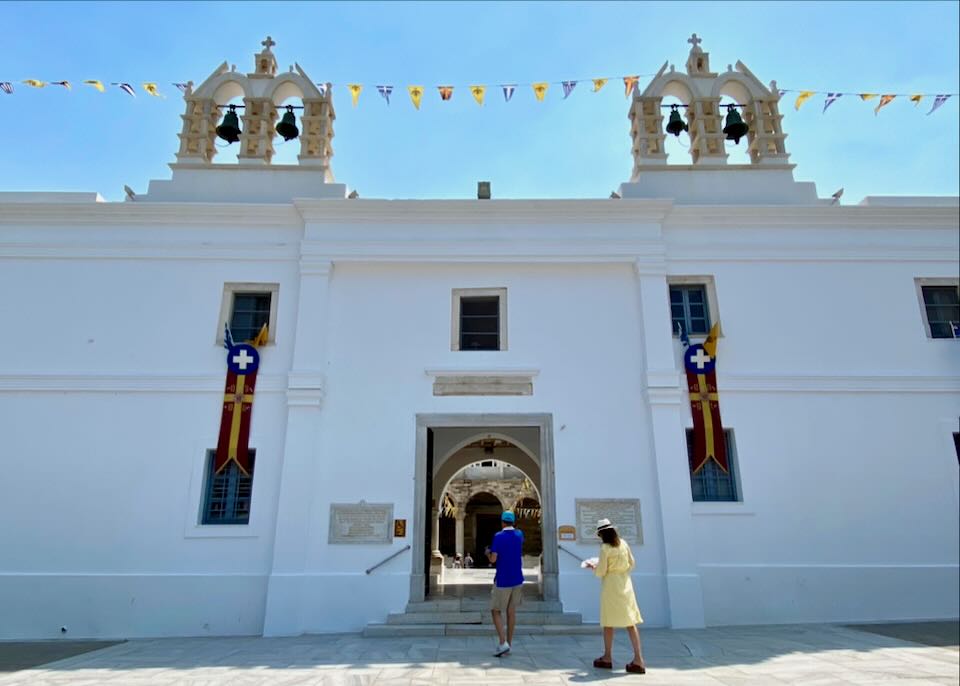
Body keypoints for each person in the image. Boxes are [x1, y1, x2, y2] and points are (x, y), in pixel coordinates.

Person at [584, 518, 646, 674]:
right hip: (625, 585)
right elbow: (632, 563)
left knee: (608, 623)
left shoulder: (605, 548)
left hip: (611, 587)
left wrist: (593, 567)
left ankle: (607, 656)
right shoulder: (623, 544)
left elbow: (601, 571)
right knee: (631, 623)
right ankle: (639, 659)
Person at [485, 510, 524, 657]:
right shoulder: (520, 535)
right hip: (517, 579)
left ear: (502, 522)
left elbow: (493, 559)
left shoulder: (498, 536)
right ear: (513, 522)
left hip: (503, 579)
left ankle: (502, 643)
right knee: (511, 612)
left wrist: (488, 552)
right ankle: (509, 644)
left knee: (495, 610)